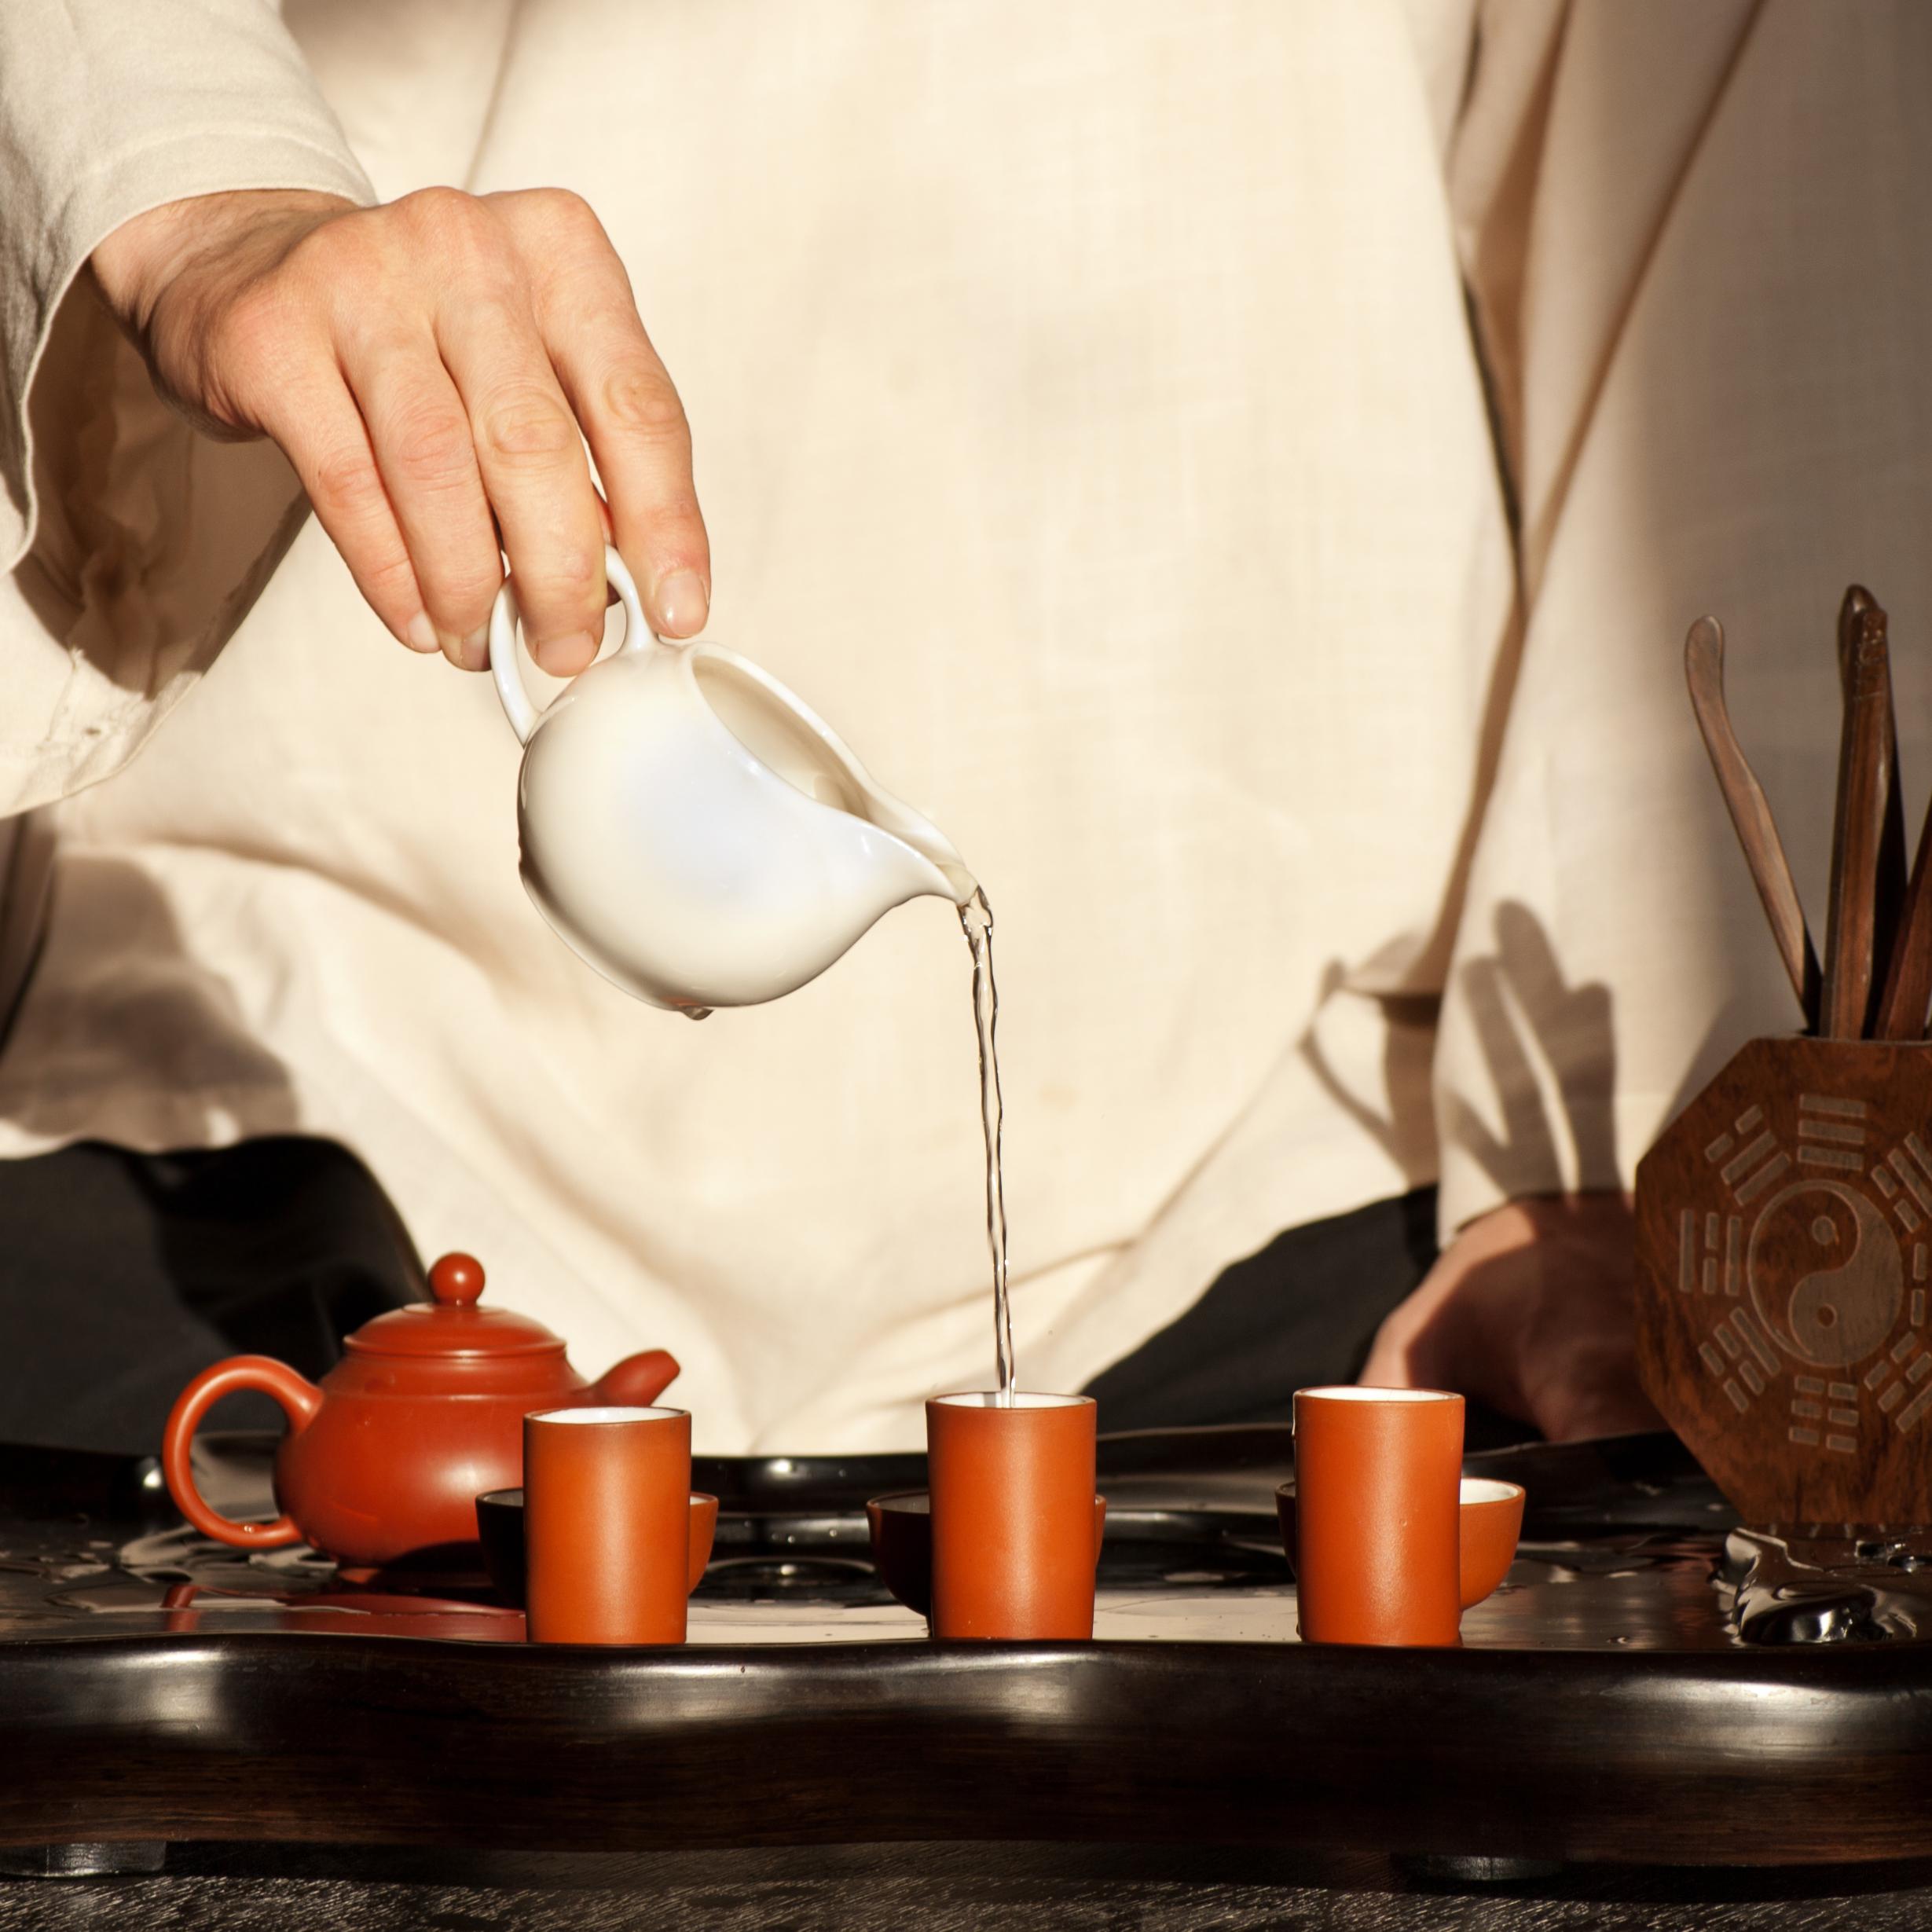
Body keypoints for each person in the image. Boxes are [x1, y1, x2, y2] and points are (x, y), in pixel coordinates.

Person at [0, 0, 1922, 1455]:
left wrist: (1625, 1142)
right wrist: (194, 177)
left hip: (1274, 1165)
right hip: (300, 1056)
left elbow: (1741, 149)